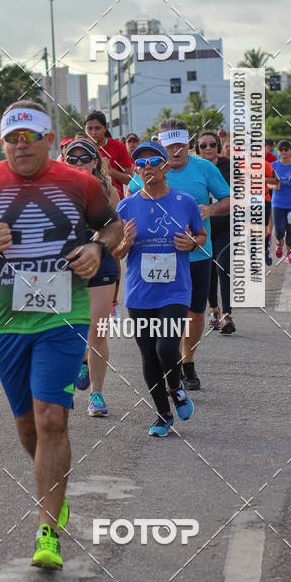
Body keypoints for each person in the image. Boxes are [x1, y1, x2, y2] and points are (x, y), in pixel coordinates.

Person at [0, 102, 122, 570]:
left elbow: (112, 224)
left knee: (51, 420)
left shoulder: (79, 182)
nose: (20, 144)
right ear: (2, 141)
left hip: (64, 316)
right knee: (27, 426)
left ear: (48, 138)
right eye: (11, 137)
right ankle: (54, 484)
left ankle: (47, 527)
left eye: (30, 136)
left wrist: (96, 246)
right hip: (7, 321)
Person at [130, 119, 230, 391]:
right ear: (161, 145)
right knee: (158, 315)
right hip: (155, 258)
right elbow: (131, 202)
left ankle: (188, 362)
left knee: (195, 314)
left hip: (196, 255)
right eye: (169, 146)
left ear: (188, 143)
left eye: (180, 145)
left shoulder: (204, 168)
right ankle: (168, 362)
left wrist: (209, 210)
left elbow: (229, 199)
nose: (175, 151)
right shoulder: (148, 168)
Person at [115, 140, 206, 437]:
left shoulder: (184, 201)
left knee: (166, 346)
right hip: (140, 293)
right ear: (134, 170)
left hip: (175, 289)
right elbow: (114, 252)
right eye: (140, 164)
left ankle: (176, 386)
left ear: (166, 167)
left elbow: (201, 234)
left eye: (154, 162)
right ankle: (163, 414)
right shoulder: (126, 205)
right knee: (148, 355)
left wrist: (193, 242)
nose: (147, 168)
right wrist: (124, 244)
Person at [64, 138, 120, 417]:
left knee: (97, 332)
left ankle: (96, 395)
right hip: (65, 267)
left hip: (100, 264)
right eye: (71, 159)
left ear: (95, 162)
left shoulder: (107, 189)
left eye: (84, 158)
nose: (78, 163)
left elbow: (112, 230)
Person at [197, 131, 235, 335]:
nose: (208, 148)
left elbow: (236, 195)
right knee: (208, 268)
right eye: (203, 145)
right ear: (198, 149)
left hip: (226, 225)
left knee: (223, 266)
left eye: (212, 144)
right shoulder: (193, 168)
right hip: (202, 227)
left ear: (218, 147)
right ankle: (213, 310)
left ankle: (227, 314)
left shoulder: (228, 166)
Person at [84, 110, 134, 200]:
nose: (93, 132)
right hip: (88, 202)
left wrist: (111, 171)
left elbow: (130, 180)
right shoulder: (81, 147)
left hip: (115, 203)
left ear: (105, 128)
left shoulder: (119, 146)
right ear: (85, 129)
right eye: (89, 128)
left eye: (97, 128)